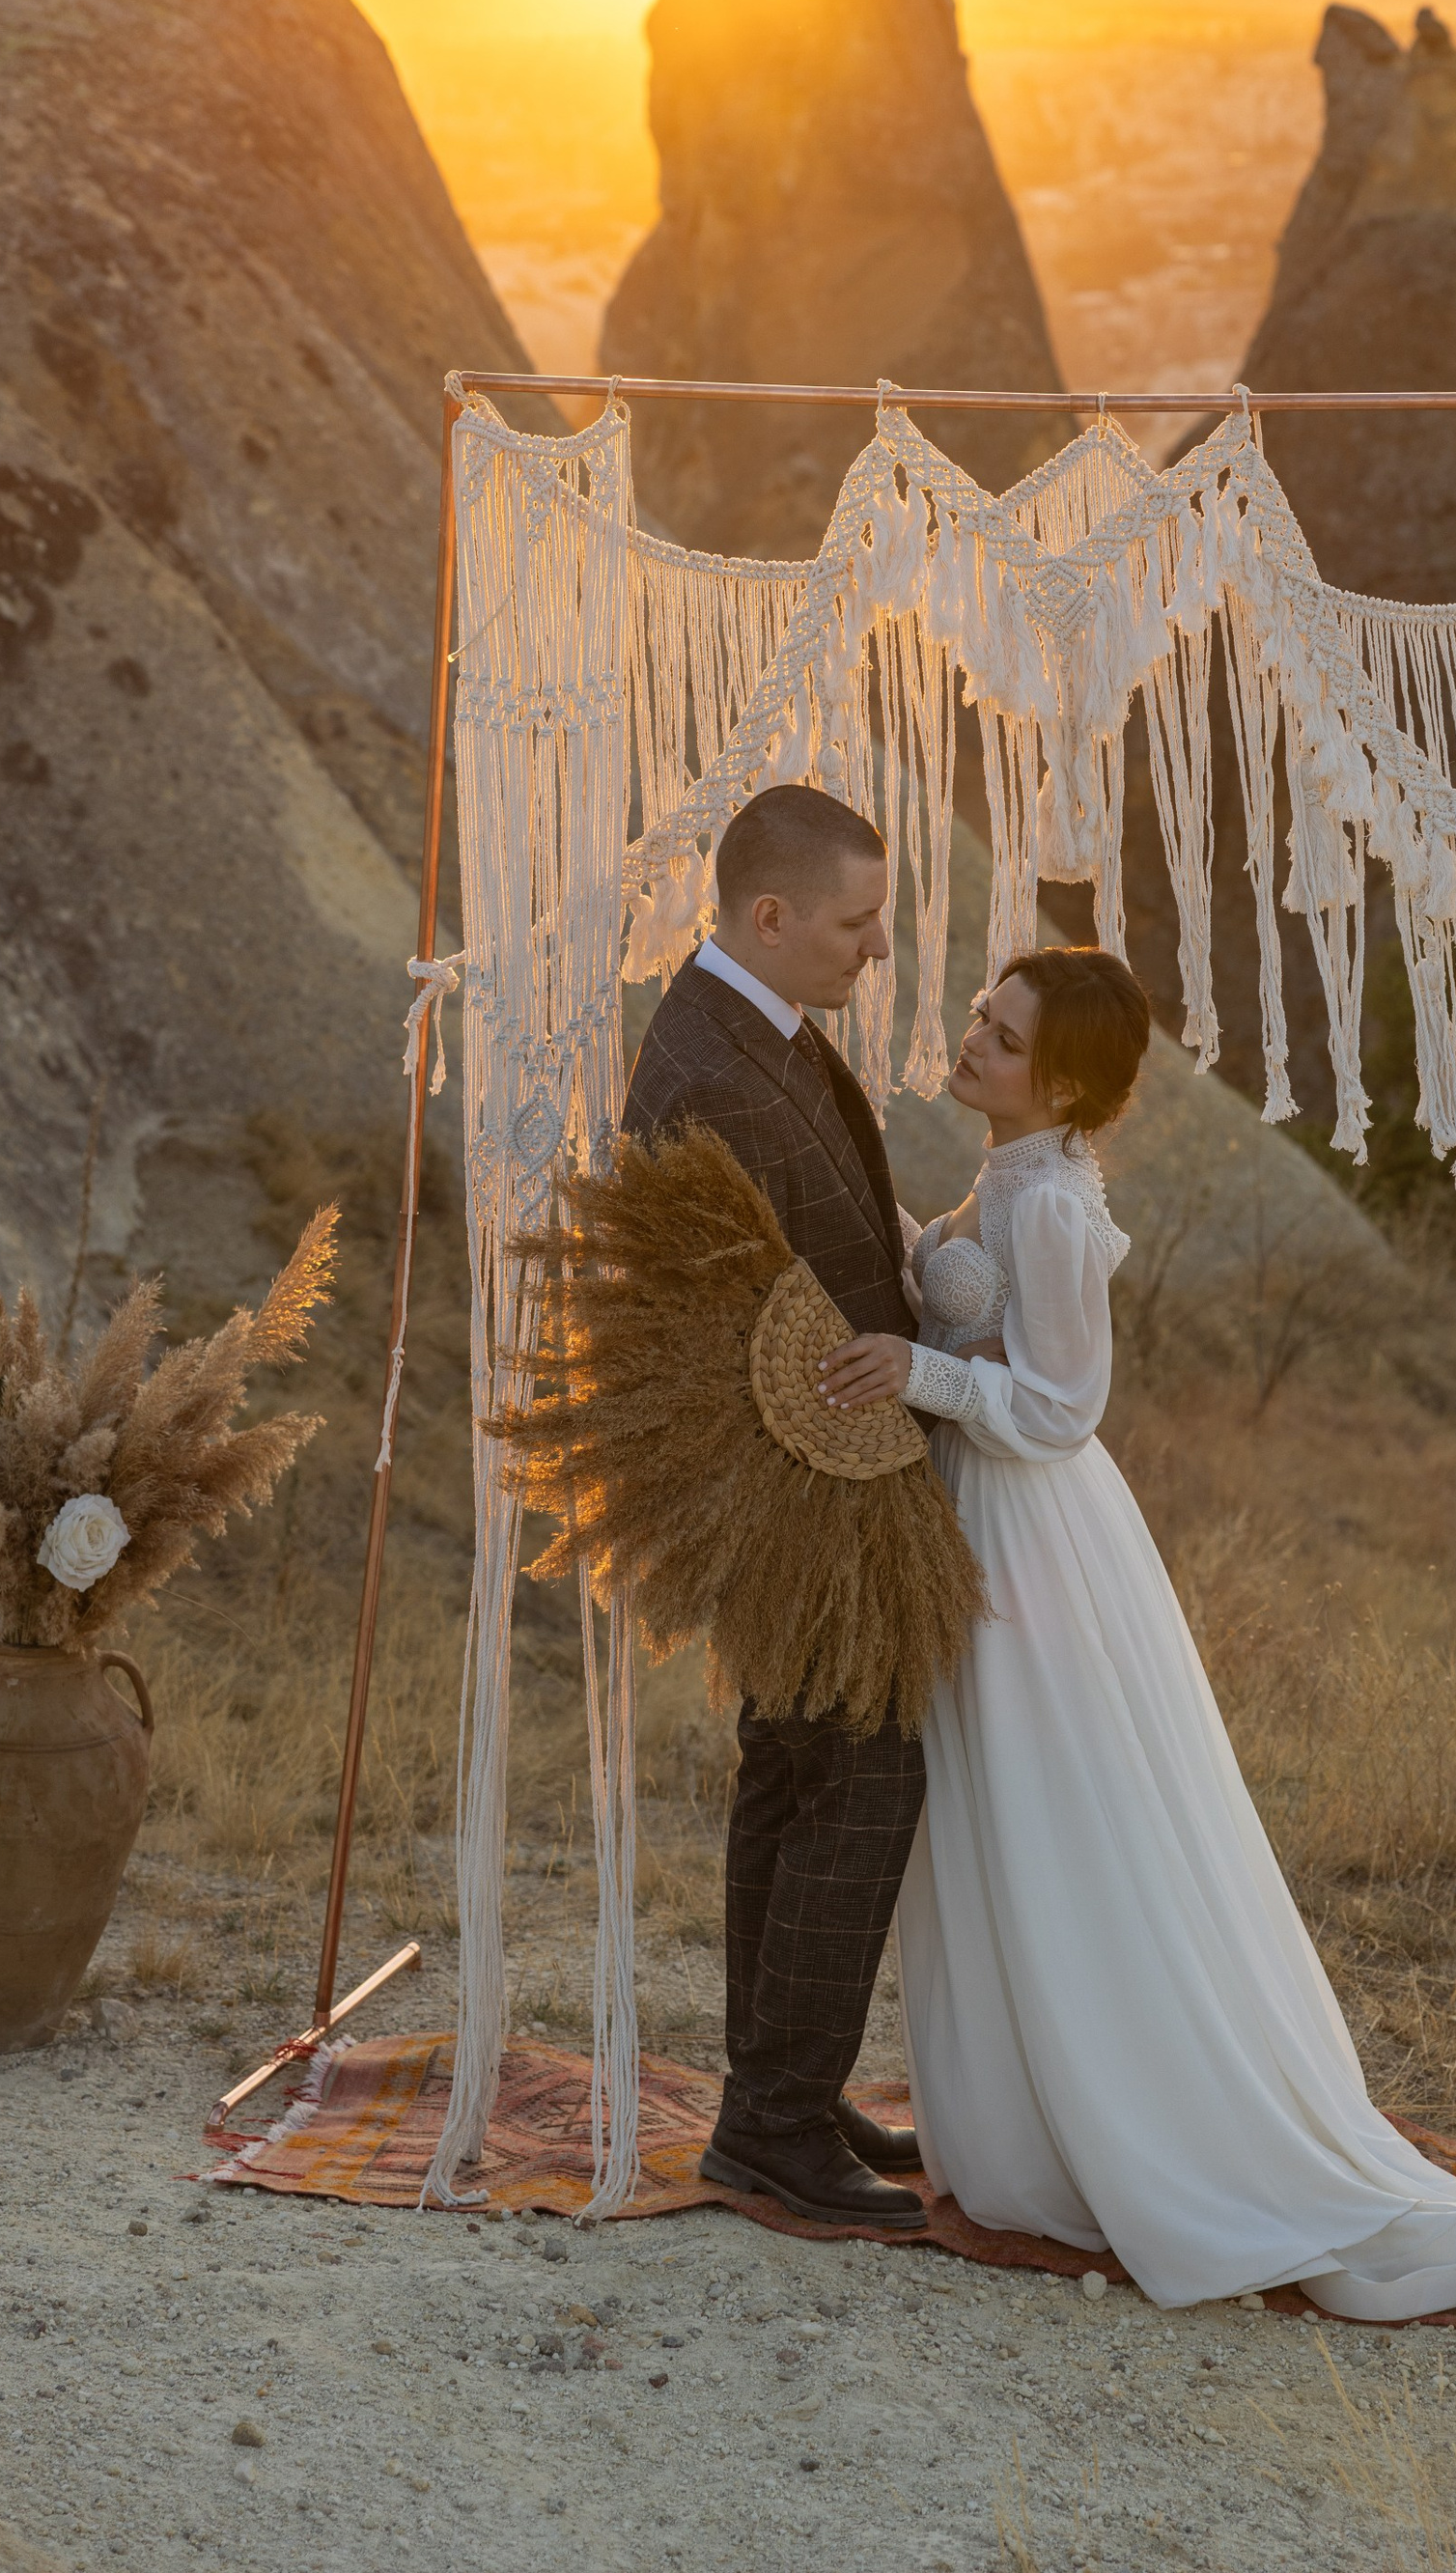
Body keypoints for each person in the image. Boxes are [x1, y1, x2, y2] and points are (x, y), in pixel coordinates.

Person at [819, 945, 1456, 2322]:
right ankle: (1027, 2106)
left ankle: (1140, 2121)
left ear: (1067, 1078)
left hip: (1031, 1523)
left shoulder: (1055, 1208)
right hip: (987, 1507)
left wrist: (915, 1366)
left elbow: (1062, 1404)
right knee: (1001, 1819)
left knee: (1052, 1815)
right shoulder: (1017, 1170)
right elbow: (969, 1285)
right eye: (981, 1013)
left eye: (1004, 1036)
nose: (973, 1039)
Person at [621, 779, 931, 2234]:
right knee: (859, 1781)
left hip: (830, 1471)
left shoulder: (758, 1027)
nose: (877, 946)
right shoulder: (713, 1070)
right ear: (771, 915)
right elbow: (717, 1321)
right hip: (801, 1487)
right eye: (857, 922)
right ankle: (771, 2123)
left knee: (795, 1771)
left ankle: (779, 2091)